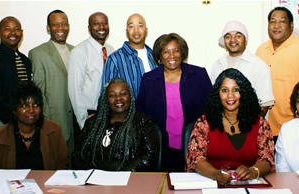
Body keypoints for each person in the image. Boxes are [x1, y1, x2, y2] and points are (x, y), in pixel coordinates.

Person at [136, 33, 212, 172]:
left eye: (176, 51)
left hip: (194, 144)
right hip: (159, 146)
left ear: (182, 53)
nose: (172, 56)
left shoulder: (199, 75)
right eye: (166, 51)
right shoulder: (149, 79)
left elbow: (212, 108)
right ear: (159, 56)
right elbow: (141, 113)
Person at [186, 68, 275, 185]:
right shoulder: (204, 122)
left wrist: (253, 171)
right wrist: (215, 175)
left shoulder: (260, 123)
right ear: (217, 94)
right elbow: (196, 159)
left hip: (250, 184)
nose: (230, 96)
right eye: (224, 90)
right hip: (211, 183)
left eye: (236, 90)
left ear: (244, 92)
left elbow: (267, 159)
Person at [256, 7, 299, 143]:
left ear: (291, 25)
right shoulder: (261, 50)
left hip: (294, 126)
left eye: (282, 21)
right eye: (273, 21)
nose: (276, 25)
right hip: (264, 127)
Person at [72, 78, 159, 171]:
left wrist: (119, 174)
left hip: (131, 179)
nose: (118, 98)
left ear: (130, 96)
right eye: (112, 95)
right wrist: (94, 174)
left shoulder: (143, 122)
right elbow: (78, 155)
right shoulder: (92, 123)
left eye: (123, 94)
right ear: (106, 99)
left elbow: (149, 157)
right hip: (95, 180)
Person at [0, 81, 68, 170]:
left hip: (45, 183)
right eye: (24, 106)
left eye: (36, 105)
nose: (31, 110)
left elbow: (62, 167)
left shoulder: (54, 131)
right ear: (14, 110)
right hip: (9, 184)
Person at [28, 10, 74, 153]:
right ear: (48, 28)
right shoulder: (38, 53)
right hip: (55, 120)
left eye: (64, 24)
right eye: (55, 25)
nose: (60, 28)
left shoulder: (76, 51)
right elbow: (38, 91)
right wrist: (46, 123)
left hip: (76, 123)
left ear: (68, 26)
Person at [211, 20, 274, 116]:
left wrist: (252, 127)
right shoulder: (217, 65)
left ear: (245, 39)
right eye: (228, 36)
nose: (233, 40)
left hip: (249, 126)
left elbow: (264, 104)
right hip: (221, 125)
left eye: (238, 36)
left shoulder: (258, 65)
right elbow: (213, 97)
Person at [68, 12, 114, 129]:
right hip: (90, 114)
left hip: (110, 113)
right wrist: (83, 121)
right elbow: (75, 90)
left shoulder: (111, 50)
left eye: (104, 23)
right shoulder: (79, 52)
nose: (101, 27)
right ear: (89, 28)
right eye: (96, 24)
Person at [101, 13, 158, 98]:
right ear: (126, 31)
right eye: (131, 26)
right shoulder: (114, 59)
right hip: (130, 111)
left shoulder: (155, 56)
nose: (136, 30)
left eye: (140, 25)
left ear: (146, 30)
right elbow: (106, 96)